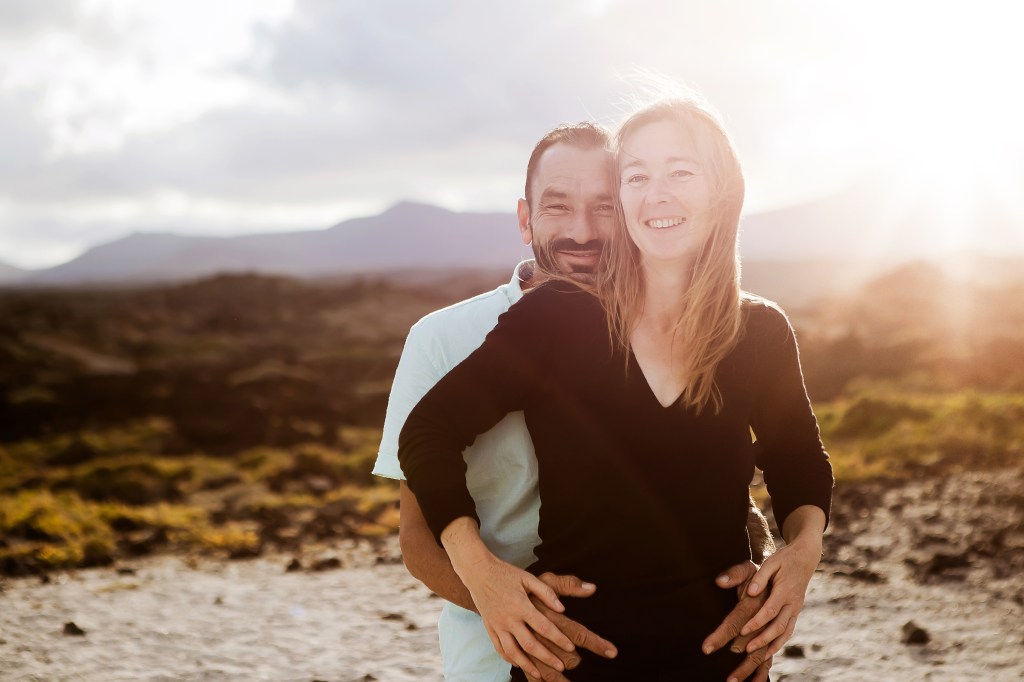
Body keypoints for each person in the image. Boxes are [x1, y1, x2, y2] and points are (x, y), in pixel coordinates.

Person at [398, 94, 833, 680]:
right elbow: (427, 431)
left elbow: (799, 460)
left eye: (682, 171)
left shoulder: (759, 331)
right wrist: (483, 572)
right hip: (572, 662)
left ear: (723, 191)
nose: (657, 192)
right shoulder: (555, 317)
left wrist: (799, 558)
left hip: (721, 663)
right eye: (637, 176)